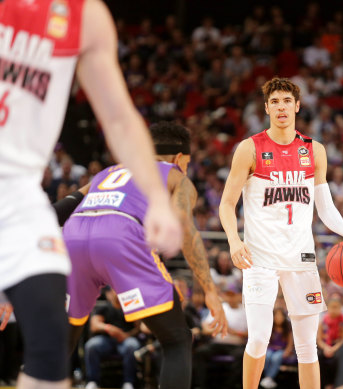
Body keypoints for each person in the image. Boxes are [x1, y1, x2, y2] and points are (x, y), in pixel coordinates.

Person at [0, 1, 182, 388]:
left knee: (49, 348)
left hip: (20, 195)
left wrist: (158, 199)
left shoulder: (86, 16)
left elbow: (118, 117)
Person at [219, 77, 343, 389]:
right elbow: (226, 203)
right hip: (259, 258)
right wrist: (234, 241)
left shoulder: (314, 151)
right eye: (274, 102)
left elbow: (325, 207)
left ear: (297, 106)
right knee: (259, 339)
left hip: (300, 257)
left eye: (286, 101)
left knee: (306, 346)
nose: (281, 107)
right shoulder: (249, 149)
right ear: (266, 109)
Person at [57, 122, 227, 389]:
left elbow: (60, 209)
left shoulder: (107, 173)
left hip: (73, 236)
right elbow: (186, 230)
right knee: (176, 339)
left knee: (60, 344)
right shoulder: (176, 176)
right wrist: (209, 289)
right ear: (180, 158)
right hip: (119, 234)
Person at [83, 287, 142, 389]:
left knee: (132, 345)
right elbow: (94, 325)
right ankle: (93, 381)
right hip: (106, 340)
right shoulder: (105, 307)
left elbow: (138, 328)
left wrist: (126, 336)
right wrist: (109, 328)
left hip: (125, 340)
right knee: (91, 345)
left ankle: (129, 382)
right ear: (110, 292)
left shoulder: (130, 307)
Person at [259, 308, 294, 389]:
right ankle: (267, 378)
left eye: (280, 315)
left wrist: (287, 351)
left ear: (284, 317)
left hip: (282, 350)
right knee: (267, 357)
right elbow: (266, 340)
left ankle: (268, 378)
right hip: (271, 349)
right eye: (276, 315)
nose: (278, 317)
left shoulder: (288, 328)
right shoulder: (270, 327)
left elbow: (290, 343)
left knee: (276, 358)